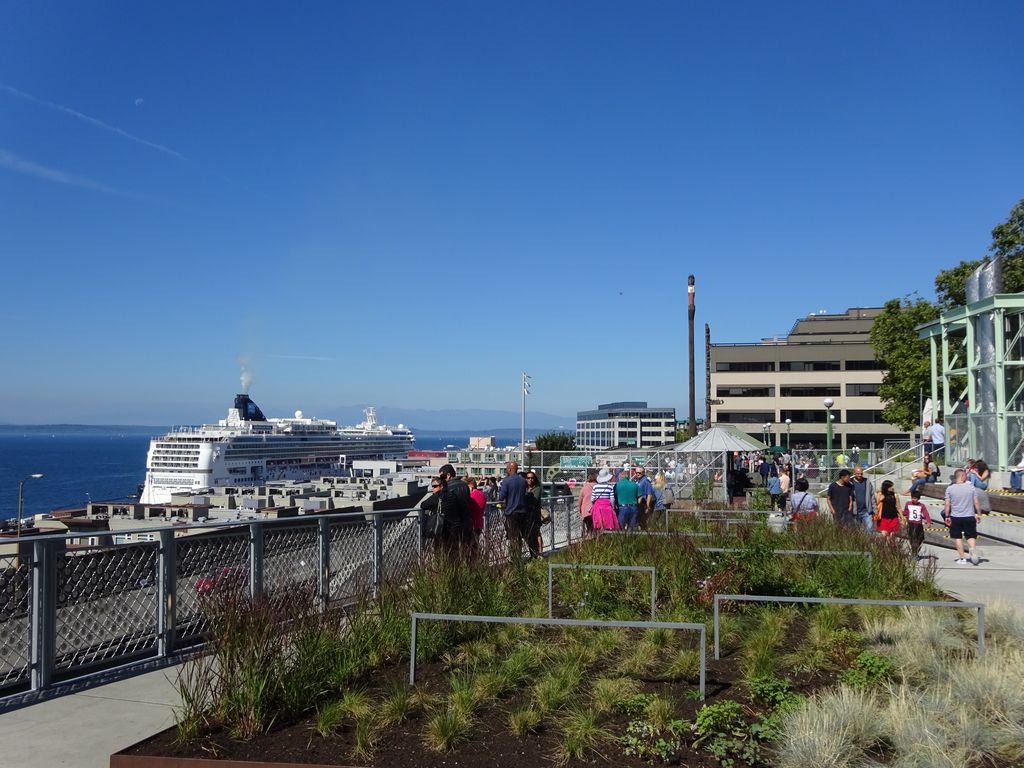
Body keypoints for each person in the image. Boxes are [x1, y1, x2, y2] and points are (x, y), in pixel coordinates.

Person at [944, 468, 982, 565]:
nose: (967, 477)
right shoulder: (971, 487)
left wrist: (947, 516)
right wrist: (978, 513)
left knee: (958, 537)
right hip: (969, 515)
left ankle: (962, 558)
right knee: (971, 536)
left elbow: (947, 504)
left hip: (956, 516)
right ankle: (972, 549)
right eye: (965, 475)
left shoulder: (950, 488)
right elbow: (976, 502)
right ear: (961, 476)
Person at [498, 461, 529, 556]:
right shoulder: (523, 481)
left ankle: (514, 556)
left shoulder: (506, 481)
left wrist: (499, 500)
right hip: (522, 511)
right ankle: (519, 554)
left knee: (512, 536)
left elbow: (501, 497)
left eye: (507, 469)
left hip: (511, 512)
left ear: (510, 469)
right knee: (520, 536)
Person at [903, 489, 932, 557]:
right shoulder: (908, 504)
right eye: (912, 498)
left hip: (918, 524)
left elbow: (926, 514)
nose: (913, 499)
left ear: (918, 499)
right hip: (911, 523)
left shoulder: (922, 505)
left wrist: (928, 521)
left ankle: (915, 551)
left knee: (921, 538)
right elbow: (905, 512)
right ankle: (914, 553)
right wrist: (901, 513)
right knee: (913, 538)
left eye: (915, 498)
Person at [524, 470, 543, 557]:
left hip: (534, 515)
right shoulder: (524, 488)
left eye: (532, 478)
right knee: (529, 535)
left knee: (537, 534)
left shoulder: (537, 489)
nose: (530, 480)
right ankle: (534, 552)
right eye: (528, 478)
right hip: (526, 516)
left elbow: (533, 501)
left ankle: (539, 552)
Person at [850, 466, 876, 531]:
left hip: (867, 511)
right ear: (854, 473)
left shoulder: (867, 481)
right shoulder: (850, 483)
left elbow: (872, 496)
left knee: (869, 530)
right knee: (856, 531)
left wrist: (875, 509)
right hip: (856, 512)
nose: (860, 475)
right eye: (858, 473)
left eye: (861, 473)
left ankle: (868, 541)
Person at [466, 477, 487, 545]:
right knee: (475, 545)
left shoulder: (472, 496)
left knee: (471, 546)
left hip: (472, 524)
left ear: (470, 486)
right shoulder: (482, 494)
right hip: (479, 522)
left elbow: (467, 508)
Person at [578, 469, 597, 535]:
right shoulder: (598, 486)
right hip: (596, 511)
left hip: (586, 512)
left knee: (589, 528)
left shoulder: (584, 488)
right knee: (596, 528)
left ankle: (589, 537)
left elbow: (580, 500)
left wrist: (580, 510)